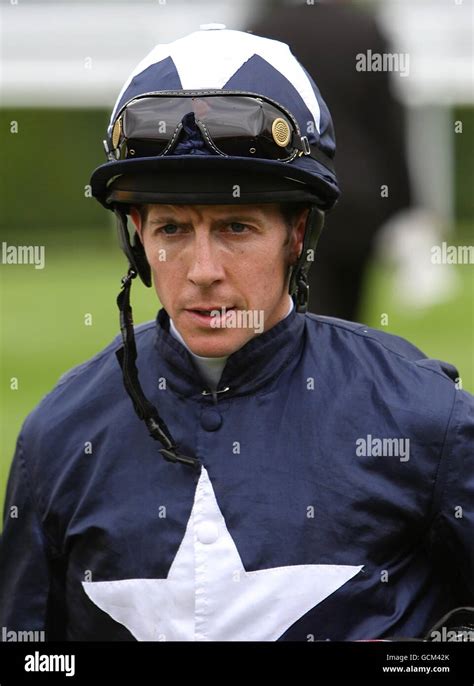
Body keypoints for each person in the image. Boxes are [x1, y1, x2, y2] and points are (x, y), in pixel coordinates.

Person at [0, 27, 472, 642]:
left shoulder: (427, 423)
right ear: (135, 238)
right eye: (171, 229)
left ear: (297, 234)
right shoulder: (57, 437)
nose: (202, 272)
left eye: (236, 228)